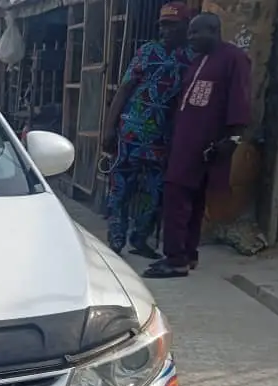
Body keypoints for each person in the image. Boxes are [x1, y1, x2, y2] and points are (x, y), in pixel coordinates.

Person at [144, 12, 252, 279]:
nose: (190, 38)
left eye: (196, 32)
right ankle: (187, 254)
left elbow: (240, 99)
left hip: (205, 143)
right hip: (186, 141)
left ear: (213, 31)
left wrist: (233, 138)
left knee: (176, 196)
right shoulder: (199, 60)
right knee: (190, 200)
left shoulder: (233, 58)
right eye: (190, 32)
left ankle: (175, 259)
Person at [102, 2, 193, 258]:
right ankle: (115, 240)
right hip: (130, 133)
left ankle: (140, 240)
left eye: (172, 26)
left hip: (162, 138)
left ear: (186, 26)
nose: (166, 31)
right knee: (121, 188)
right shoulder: (147, 52)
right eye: (163, 26)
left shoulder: (190, 58)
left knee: (155, 192)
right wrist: (109, 128)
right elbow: (124, 89)